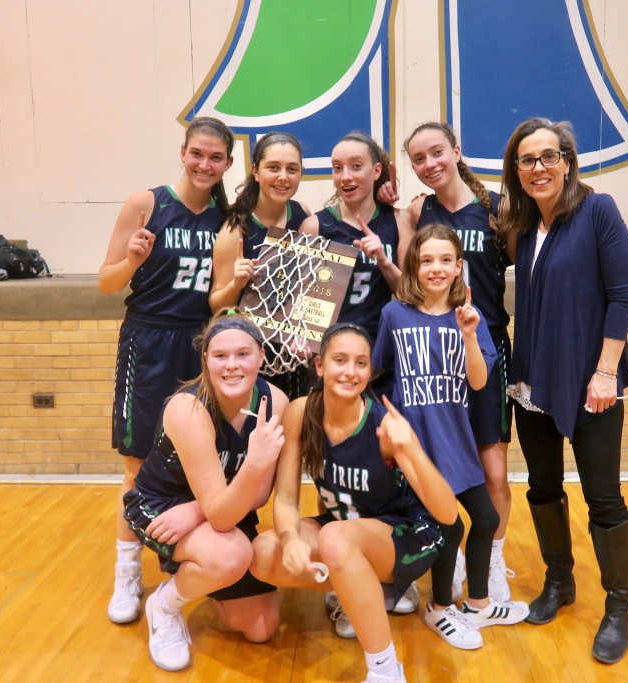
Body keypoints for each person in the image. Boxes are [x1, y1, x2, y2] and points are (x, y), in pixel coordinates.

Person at [498, 117, 628, 664]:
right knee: (542, 487)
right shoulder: (522, 224)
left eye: (547, 157)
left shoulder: (597, 211)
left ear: (567, 161)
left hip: (591, 381)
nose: (538, 168)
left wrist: (606, 372)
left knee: (604, 497)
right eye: (527, 160)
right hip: (532, 380)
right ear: (517, 170)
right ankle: (560, 582)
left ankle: (619, 607)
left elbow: (621, 297)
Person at [250, 322, 457, 683]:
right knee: (263, 555)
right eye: (340, 360)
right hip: (345, 530)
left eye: (361, 363)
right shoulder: (301, 412)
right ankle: (360, 587)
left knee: (334, 539)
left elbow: (447, 514)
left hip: (408, 533)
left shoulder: (383, 426)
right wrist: (290, 538)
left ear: (371, 371)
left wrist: (410, 448)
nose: (350, 371)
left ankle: (386, 671)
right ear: (319, 365)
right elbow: (285, 497)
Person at [98, 116, 235, 626]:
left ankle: (192, 566)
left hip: (201, 345)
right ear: (183, 152)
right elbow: (107, 284)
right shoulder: (147, 204)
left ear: (226, 164)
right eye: (197, 153)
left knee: (200, 463)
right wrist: (132, 260)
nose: (204, 164)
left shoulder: (226, 217)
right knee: (136, 464)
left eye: (215, 157)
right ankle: (127, 572)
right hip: (149, 338)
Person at [372, 225, 529, 650]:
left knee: (488, 519)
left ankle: (477, 602)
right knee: (448, 526)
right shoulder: (395, 315)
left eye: (446, 260)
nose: (436, 268)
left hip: (455, 439)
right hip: (418, 446)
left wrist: (468, 334)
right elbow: (376, 369)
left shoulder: (469, 318)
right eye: (427, 260)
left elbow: (479, 382)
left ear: (459, 267)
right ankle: (440, 608)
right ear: (414, 266)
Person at [122, 311, 289, 671]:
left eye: (243, 354)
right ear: (206, 360)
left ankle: (203, 572)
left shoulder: (275, 401)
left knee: (262, 627)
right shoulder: (189, 408)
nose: (232, 366)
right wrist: (212, 505)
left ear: (262, 356)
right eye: (220, 356)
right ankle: (165, 605)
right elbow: (226, 508)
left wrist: (199, 511)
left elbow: (258, 495)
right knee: (230, 556)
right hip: (163, 506)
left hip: (218, 506)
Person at [403, 122, 516, 603]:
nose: (430, 164)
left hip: (484, 347)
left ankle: (491, 558)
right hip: (434, 355)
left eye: (436, 152)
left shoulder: (498, 207)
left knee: (493, 473)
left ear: (456, 150)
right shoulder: (415, 210)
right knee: (438, 469)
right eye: (418, 159)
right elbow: (405, 281)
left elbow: (530, 268)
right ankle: (441, 560)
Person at [210, 131, 312, 399]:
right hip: (251, 355)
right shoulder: (235, 230)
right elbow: (216, 305)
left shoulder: (303, 216)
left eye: (292, 169)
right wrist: (236, 283)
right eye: (273, 168)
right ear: (256, 171)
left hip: (294, 352)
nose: (283, 177)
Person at [299, 131, 416, 339]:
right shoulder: (314, 227)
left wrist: (384, 261)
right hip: (331, 351)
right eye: (337, 168)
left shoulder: (400, 221)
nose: (345, 177)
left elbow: (412, 297)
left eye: (356, 166)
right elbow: (301, 302)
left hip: (381, 348)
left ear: (377, 171)